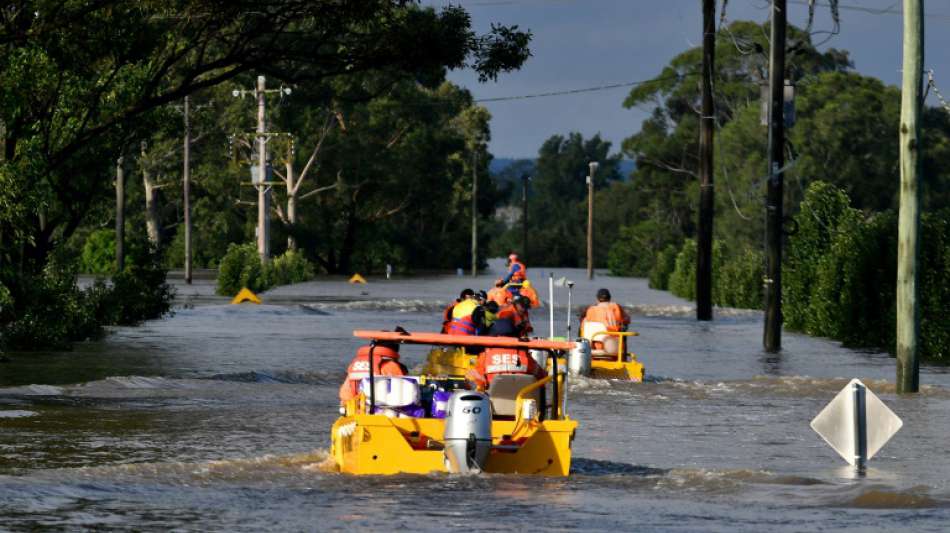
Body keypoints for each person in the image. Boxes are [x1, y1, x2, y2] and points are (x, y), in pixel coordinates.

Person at [339, 342, 407, 404]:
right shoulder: (391, 366)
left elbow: (346, 391)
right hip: (380, 408)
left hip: (351, 405)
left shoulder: (354, 364)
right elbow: (402, 392)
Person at [465, 345, 547, 391]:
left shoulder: (486, 355)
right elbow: (542, 377)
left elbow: (478, 381)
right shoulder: (525, 355)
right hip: (522, 410)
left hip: (492, 409)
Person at [579, 288, 631, 354]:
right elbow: (628, 320)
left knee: (582, 326)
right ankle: (623, 357)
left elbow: (583, 327)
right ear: (610, 298)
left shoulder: (590, 310)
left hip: (593, 348)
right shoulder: (616, 307)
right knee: (623, 329)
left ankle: (582, 351)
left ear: (597, 299)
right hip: (613, 348)